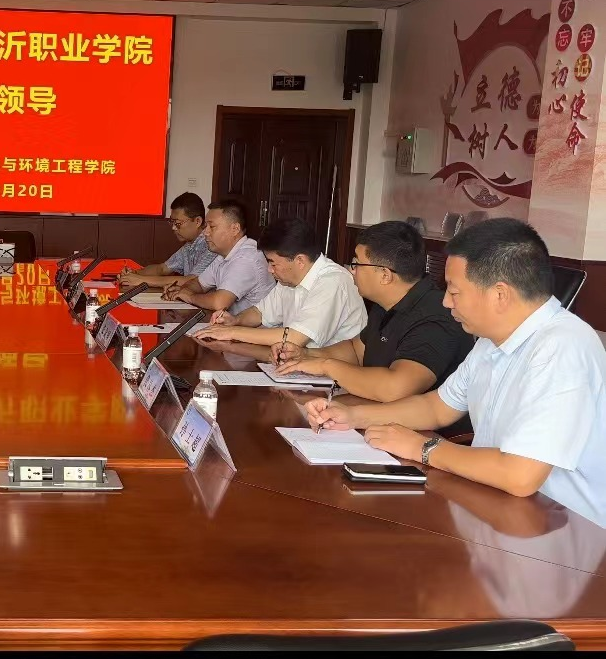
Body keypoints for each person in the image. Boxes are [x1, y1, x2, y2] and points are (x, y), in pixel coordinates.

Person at [306, 218, 606, 526]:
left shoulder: (562, 347)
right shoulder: (491, 340)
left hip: (563, 528)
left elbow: (520, 475)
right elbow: (436, 407)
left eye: (454, 291)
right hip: (497, 509)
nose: (446, 302)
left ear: (499, 294)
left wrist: (423, 448)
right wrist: (352, 417)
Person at [272, 220, 474, 403]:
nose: (351, 270)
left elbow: (395, 388)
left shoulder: (436, 316)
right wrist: (306, 354)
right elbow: (356, 351)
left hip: (420, 429)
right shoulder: (384, 303)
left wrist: (326, 366)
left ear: (385, 275)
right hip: (376, 415)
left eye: (356, 263)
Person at [193, 216, 366, 354]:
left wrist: (230, 333)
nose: (269, 270)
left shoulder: (333, 281)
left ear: (299, 260)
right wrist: (235, 320)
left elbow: (295, 338)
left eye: (273, 263)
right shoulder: (289, 279)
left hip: (335, 377)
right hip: (301, 365)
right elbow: (260, 312)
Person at [162, 199, 274, 315]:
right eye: (206, 226)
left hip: (255, 326)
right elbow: (199, 283)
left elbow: (219, 303)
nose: (205, 232)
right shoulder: (224, 255)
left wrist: (190, 296)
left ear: (235, 229)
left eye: (212, 226)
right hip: (231, 323)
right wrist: (183, 291)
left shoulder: (247, 258)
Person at [118, 192, 216, 288]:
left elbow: (192, 280)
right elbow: (162, 269)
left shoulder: (211, 245)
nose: (173, 228)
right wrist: (133, 273)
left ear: (197, 221)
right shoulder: (189, 246)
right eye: (172, 222)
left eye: (178, 223)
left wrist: (141, 280)